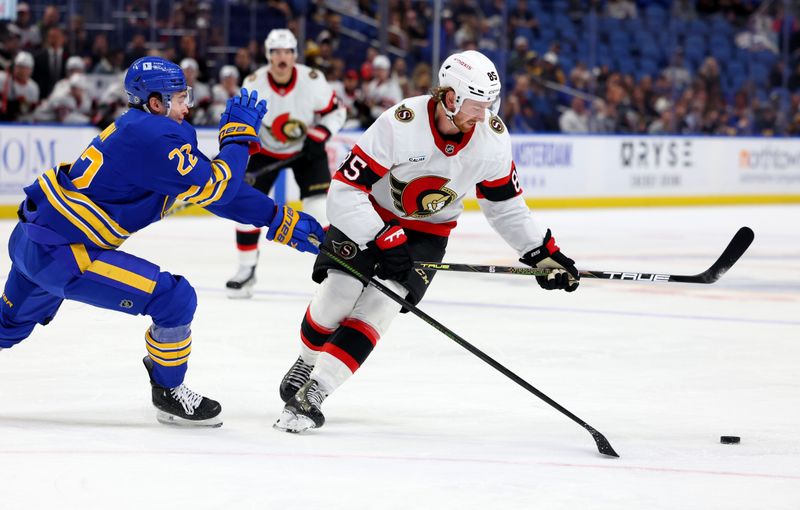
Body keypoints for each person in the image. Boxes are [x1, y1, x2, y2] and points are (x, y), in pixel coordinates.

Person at [0, 57, 324, 428]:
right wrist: (237, 137)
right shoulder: (152, 137)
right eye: (180, 95)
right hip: (65, 255)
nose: (189, 103)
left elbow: (215, 193)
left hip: (33, 241)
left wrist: (279, 219)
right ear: (156, 102)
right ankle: (169, 392)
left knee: (6, 325)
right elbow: (219, 184)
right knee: (174, 299)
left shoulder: (147, 131)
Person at [273, 50, 580, 433]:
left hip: (426, 235)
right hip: (370, 215)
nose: (483, 116)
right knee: (339, 293)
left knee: (382, 304)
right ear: (449, 97)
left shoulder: (492, 141)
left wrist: (541, 253)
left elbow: (506, 207)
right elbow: (344, 191)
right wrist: (382, 234)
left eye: (489, 105)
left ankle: (316, 390)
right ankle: (306, 359)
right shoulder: (401, 123)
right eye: (475, 105)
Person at [226, 28, 346, 298]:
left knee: (319, 209)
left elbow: (337, 111)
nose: (282, 57)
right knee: (244, 209)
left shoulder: (313, 80)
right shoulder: (254, 82)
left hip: (306, 150)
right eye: (276, 52)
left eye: (288, 52)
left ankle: (333, 271)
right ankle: (246, 270)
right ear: (268, 56)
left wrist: (319, 135)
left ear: (295, 55)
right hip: (265, 151)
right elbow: (241, 123)